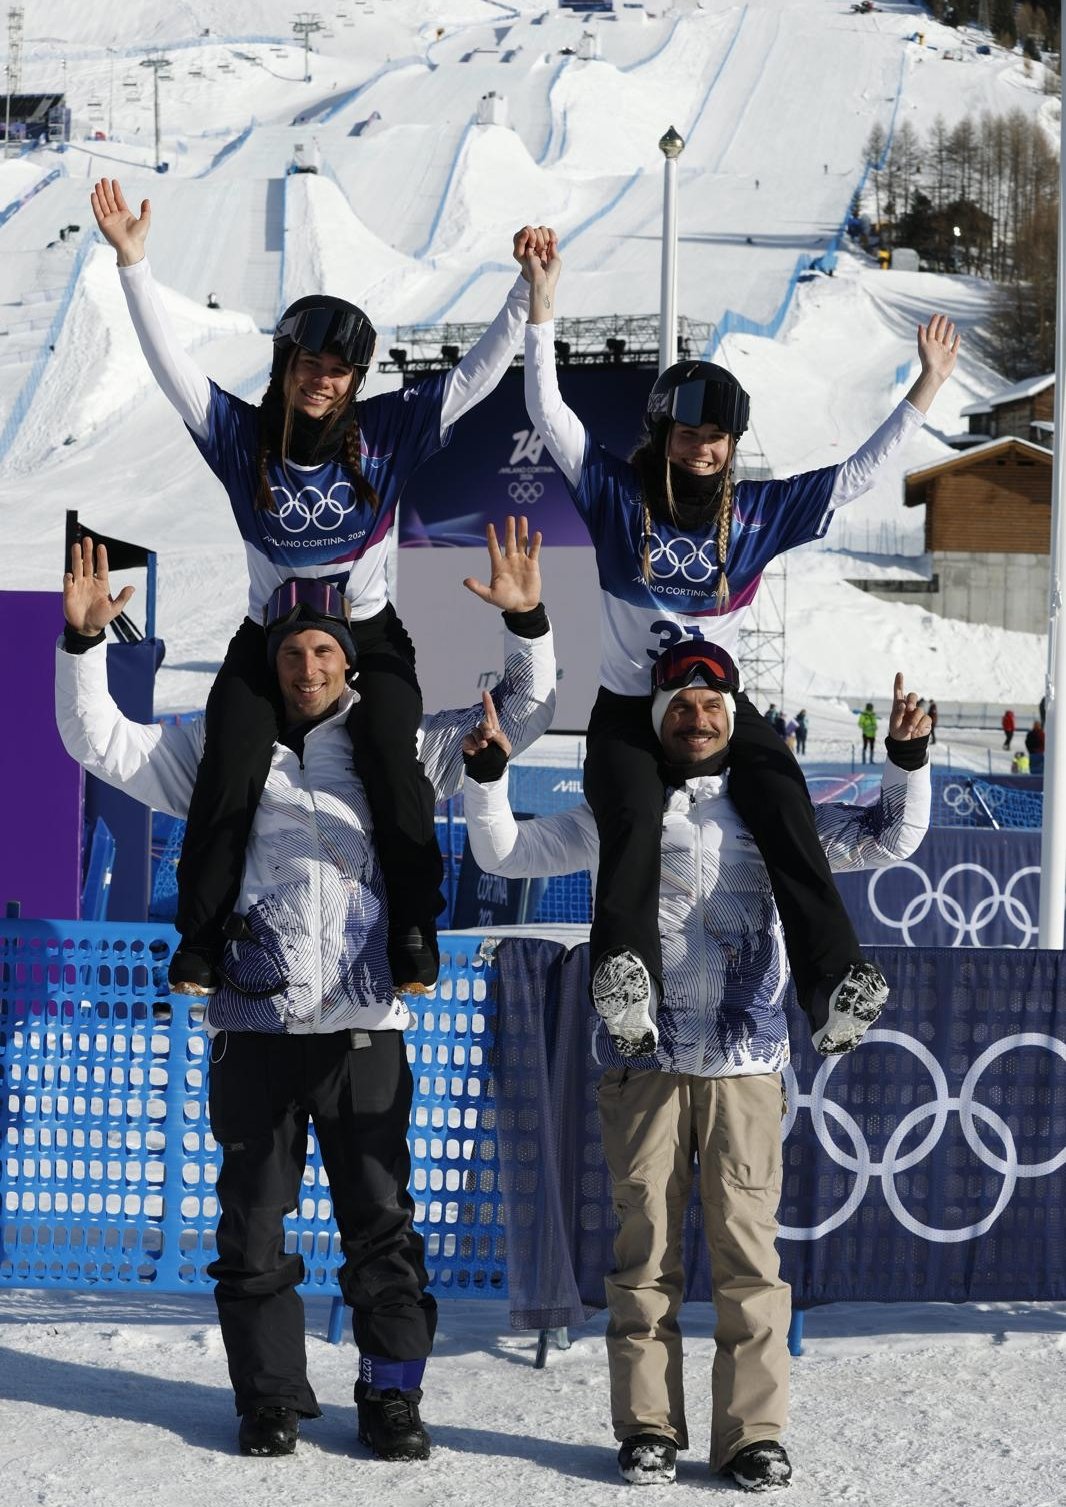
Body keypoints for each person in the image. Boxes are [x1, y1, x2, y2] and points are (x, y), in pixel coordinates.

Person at [56, 521, 554, 1462]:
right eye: (294, 653)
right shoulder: (216, 750)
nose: (310, 667)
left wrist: (527, 619)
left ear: (350, 659)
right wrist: (83, 645)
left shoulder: (397, 747)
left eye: (326, 650)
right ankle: (271, 1397)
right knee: (250, 1227)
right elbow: (100, 742)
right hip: (256, 1022)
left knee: (382, 1229)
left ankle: (393, 1397)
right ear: (274, 661)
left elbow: (521, 711)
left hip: (365, 1026)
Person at [460, 641, 932, 1490]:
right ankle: (647, 1427)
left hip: (746, 1065)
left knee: (751, 1258)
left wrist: (905, 763)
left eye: (712, 705)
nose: (698, 716)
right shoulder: (622, 815)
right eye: (681, 705)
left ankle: (752, 1433)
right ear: (660, 722)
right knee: (644, 1257)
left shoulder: (778, 812)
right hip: (645, 1065)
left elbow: (890, 837)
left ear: (733, 718)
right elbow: (505, 853)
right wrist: (488, 776)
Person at [90, 175, 556, 1000]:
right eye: (311, 365)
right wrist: (134, 264)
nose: (324, 382)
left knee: (388, 751)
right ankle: (199, 940)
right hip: (266, 632)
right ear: (288, 364)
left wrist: (527, 294)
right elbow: (171, 369)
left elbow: (477, 377)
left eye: (341, 372)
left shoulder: (388, 433)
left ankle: (414, 927)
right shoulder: (243, 438)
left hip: (367, 636)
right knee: (231, 753)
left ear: (354, 380)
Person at [519, 235, 958, 1060]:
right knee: (631, 816)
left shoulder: (753, 515)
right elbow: (550, 417)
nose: (703, 449)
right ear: (661, 436)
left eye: (717, 438)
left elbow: (857, 473)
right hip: (627, 710)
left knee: (783, 801)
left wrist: (927, 387)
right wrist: (542, 304)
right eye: (688, 436)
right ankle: (627, 981)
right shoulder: (618, 496)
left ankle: (834, 984)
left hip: (717, 707)